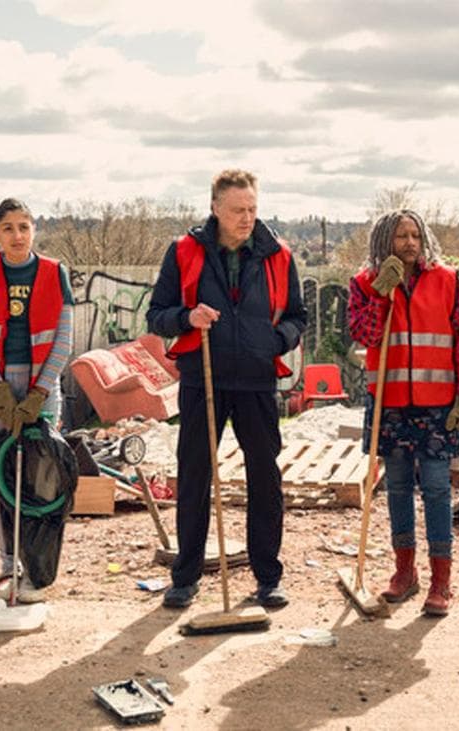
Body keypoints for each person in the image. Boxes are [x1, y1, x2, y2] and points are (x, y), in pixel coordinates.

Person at [146, 169, 307, 609]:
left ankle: (268, 578)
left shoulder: (278, 255)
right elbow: (157, 315)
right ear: (215, 208)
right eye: (238, 210)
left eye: (252, 209)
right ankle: (185, 578)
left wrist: (275, 341)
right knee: (194, 476)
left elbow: (298, 316)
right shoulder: (184, 251)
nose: (247, 218)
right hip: (203, 378)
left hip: (258, 380)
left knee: (265, 479)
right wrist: (187, 317)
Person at [347, 209, 459, 617]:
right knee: (398, 487)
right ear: (384, 241)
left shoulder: (447, 279)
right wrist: (380, 293)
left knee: (438, 487)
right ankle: (404, 572)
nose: (409, 243)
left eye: (415, 235)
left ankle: (442, 580)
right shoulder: (364, 283)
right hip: (390, 403)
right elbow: (365, 334)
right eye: (400, 236)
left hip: (438, 403)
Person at [0, 198, 75, 603]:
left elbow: (63, 338)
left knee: (43, 478)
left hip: (43, 382)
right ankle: (10, 564)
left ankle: (38, 567)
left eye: (24, 227)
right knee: (3, 477)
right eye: (8, 228)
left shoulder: (54, 272)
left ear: (34, 231)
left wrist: (40, 391)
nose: (17, 235)